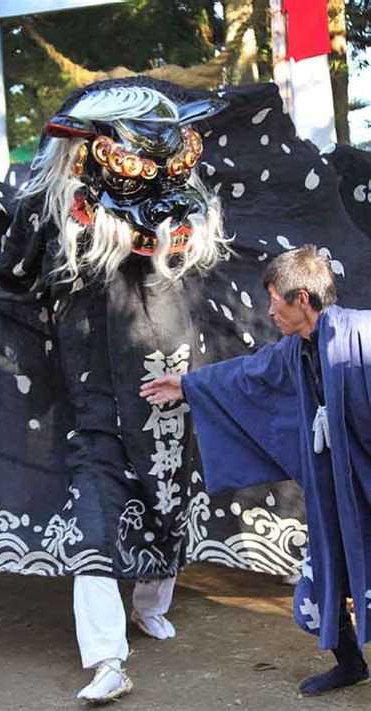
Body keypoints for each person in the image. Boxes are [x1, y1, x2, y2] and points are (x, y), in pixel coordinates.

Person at [141, 245, 370, 696]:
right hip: (336, 485)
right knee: (329, 561)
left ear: (301, 299)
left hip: (364, 476)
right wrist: (186, 385)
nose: (270, 311)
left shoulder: (362, 336)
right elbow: (248, 374)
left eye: (274, 301)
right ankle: (349, 662)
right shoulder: (296, 350)